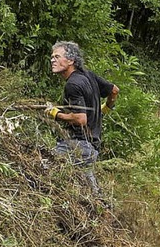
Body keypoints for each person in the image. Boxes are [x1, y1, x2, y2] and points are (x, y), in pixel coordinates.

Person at [46, 41, 119, 196]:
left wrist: (55, 113)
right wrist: (106, 108)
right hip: (91, 147)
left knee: (44, 170)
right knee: (92, 194)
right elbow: (114, 90)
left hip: (77, 145)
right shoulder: (89, 75)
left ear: (71, 61)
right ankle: (104, 212)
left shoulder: (72, 84)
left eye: (57, 57)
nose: (52, 60)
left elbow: (80, 119)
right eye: (52, 57)